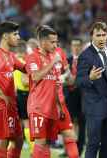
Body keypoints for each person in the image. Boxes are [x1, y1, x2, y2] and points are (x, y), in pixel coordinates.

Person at [76, 21, 107, 158]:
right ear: (91, 36)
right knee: (93, 144)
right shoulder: (85, 56)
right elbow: (79, 81)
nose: (101, 38)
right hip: (94, 107)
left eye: (104, 35)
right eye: (98, 35)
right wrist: (90, 78)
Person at [25, 25, 63, 158]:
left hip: (51, 109)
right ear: (43, 42)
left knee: (46, 144)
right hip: (38, 107)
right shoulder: (33, 57)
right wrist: (53, 63)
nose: (55, 45)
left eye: (56, 42)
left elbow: (54, 85)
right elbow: (35, 77)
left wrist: (59, 106)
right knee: (40, 143)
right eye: (52, 42)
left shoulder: (52, 58)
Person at [0, 21, 25, 158]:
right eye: (15, 34)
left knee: (19, 140)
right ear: (5, 36)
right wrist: (1, 94)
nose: (18, 37)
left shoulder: (10, 56)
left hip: (11, 105)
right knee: (2, 142)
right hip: (1, 105)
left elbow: (25, 67)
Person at [65, 38, 86, 156]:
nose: (76, 48)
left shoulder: (86, 61)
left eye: (78, 45)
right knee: (69, 124)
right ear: (71, 46)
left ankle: (80, 148)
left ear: (81, 46)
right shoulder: (66, 60)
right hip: (70, 96)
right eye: (74, 45)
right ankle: (70, 149)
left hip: (82, 96)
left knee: (82, 123)